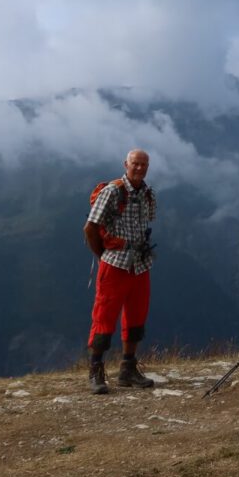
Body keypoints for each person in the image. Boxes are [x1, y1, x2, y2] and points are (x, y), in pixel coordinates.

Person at [83, 148, 157, 394]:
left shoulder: (147, 194)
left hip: (140, 264)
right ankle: (96, 371)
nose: (139, 168)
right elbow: (90, 227)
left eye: (143, 165)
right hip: (114, 264)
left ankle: (128, 368)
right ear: (126, 164)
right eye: (135, 164)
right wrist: (102, 254)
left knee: (136, 317)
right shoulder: (113, 192)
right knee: (104, 317)